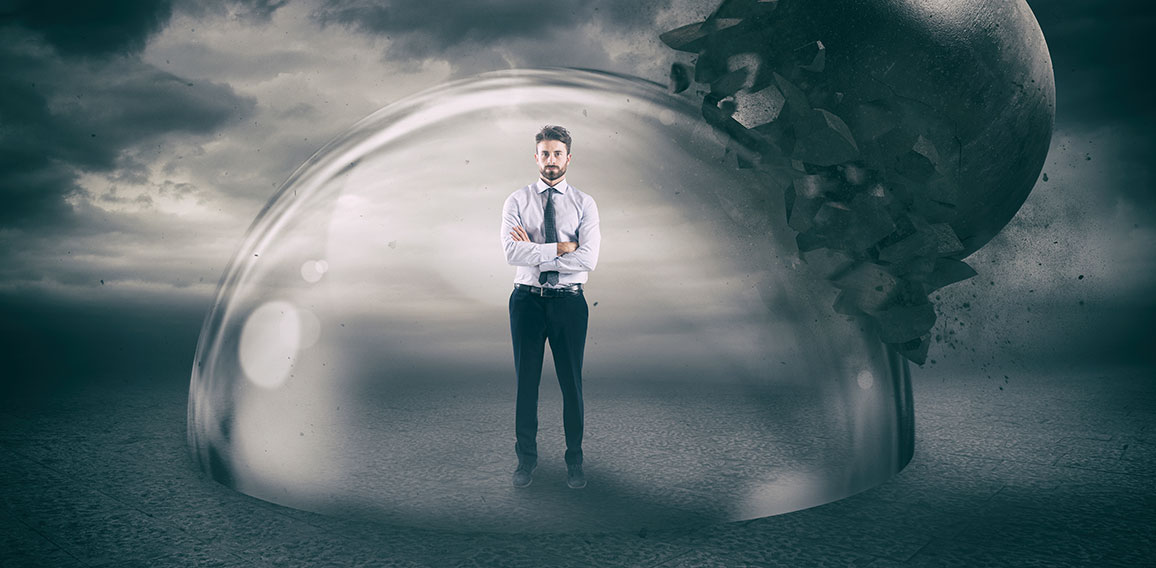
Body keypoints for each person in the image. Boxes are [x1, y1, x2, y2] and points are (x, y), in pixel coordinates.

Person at [500, 125, 601, 489]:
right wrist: (562, 248)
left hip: (570, 304)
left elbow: (588, 259)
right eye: (545, 153)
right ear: (536, 157)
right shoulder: (516, 201)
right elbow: (512, 253)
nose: (551, 160)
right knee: (526, 385)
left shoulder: (584, 203)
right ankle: (525, 461)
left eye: (557, 153)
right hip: (526, 302)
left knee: (571, 385)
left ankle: (575, 461)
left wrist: (538, 252)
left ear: (568, 157)